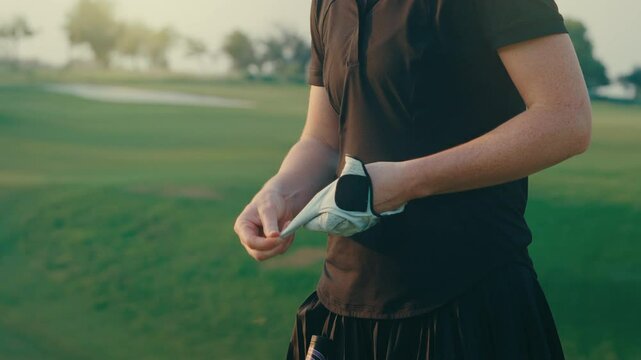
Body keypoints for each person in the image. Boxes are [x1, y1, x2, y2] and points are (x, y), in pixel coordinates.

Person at [233, 0, 592, 357]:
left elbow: (565, 119)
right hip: (343, 310)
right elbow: (323, 140)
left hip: (467, 307)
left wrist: (408, 181)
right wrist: (279, 191)